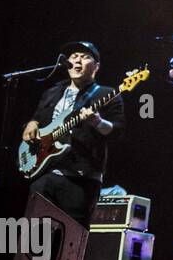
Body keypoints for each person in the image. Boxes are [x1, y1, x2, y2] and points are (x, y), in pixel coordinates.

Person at [22, 41, 125, 226]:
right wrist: (31, 123)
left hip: (81, 178)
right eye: (73, 56)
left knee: (71, 239)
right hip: (45, 174)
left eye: (85, 57)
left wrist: (98, 122)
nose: (77, 60)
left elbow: (117, 131)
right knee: (33, 239)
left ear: (96, 66)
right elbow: (37, 118)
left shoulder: (107, 93)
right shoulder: (52, 92)